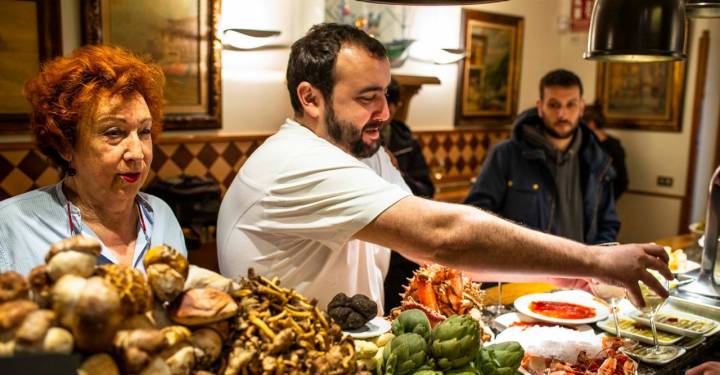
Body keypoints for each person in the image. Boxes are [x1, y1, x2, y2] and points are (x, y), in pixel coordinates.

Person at [217, 23, 670, 315]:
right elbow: (441, 234)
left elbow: (428, 250)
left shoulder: (361, 153)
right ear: (310, 98)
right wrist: (595, 258)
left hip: (345, 374)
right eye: (365, 97)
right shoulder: (297, 163)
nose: (385, 112)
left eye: (386, 94)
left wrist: (552, 272)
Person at [0, 45, 186, 275]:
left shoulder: (161, 217)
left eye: (144, 131)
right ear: (65, 145)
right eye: (113, 133)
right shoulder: (10, 226)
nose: (137, 153)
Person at [464, 69, 619, 245]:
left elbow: (608, 224)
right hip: (520, 268)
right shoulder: (505, 154)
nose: (562, 114)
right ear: (540, 107)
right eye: (553, 105)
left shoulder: (597, 160)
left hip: (580, 269)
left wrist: (597, 263)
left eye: (571, 105)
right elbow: (475, 215)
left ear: (582, 107)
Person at [382, 78, 435, 311]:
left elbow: (427, 190)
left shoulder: (407, 142)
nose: (382, 110)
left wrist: (397, 173)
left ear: (396, 106)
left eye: (388, 103)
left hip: (400, 244)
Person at [583, 103, 629, 200]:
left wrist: (605, 203)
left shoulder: (614, 147)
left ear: (591, 124)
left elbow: (622, 182)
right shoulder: (583, 142)